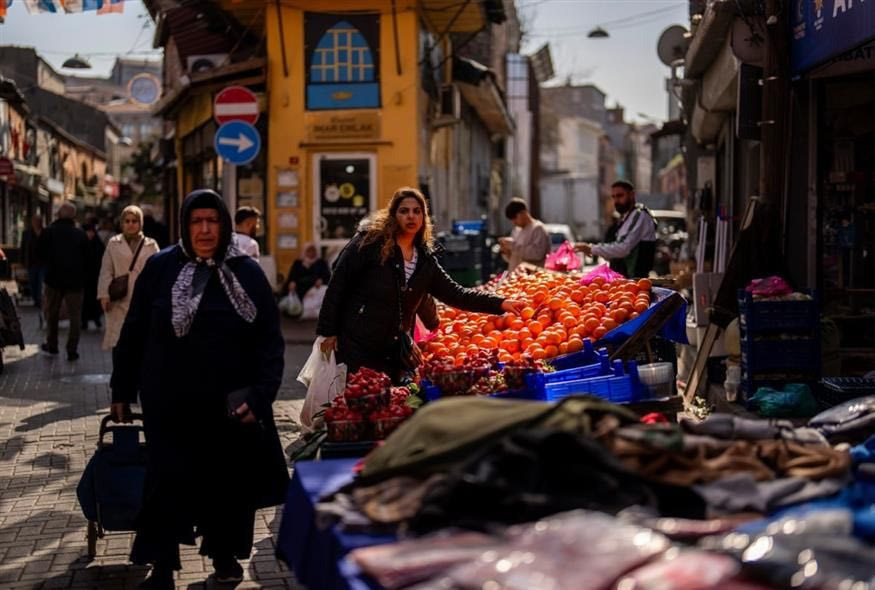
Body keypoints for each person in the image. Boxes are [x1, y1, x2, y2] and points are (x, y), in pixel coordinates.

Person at [109, 189, 287, 589]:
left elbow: (269, 343)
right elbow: (133, 332)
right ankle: (162, 564)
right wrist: (121, 389)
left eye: (213, 221)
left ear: (224, 226)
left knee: (225, 486)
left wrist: (261, 396)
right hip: (169, 403)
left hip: (227, 405)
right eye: (196, 221)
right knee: (166, 482)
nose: (205, 229)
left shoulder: (246, 272)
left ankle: (224, 557)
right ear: (185, 226)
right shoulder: (160, 268)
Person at [317, 187, 525, 381]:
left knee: (387, 407)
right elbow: (338, 283)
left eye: (417, 211)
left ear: (423, 218)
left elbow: (456, 294)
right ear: (393, 216)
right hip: (358, 341)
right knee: (356, 403)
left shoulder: (425, 260)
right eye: (404, 211)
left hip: (393, 348)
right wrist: (328, 331)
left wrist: (501, 303)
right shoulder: (370, 243)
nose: (411, 216)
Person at [97, 206, 160, 350]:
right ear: (122, 223)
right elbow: (106, 270)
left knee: (140, 342)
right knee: (119, 343)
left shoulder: (151, 245)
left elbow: (158, 272)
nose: (131, 224)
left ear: (140, 223)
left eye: (134, 221)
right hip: (119, 298)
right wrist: (104, 294)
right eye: (127, 221)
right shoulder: (113, 243)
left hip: (143, 298)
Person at [38, 201, 89, 361]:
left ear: (59, 214)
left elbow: (40, 253)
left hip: (53, 279)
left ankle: (52, 344)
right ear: (73, 216)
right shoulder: (80, 234)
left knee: (52, 313)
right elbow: (88, 258)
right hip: (75, 281)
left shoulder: (49, 232)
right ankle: (72, 349)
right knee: (75, 316)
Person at [574, 180, 657, 278]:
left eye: (620, 196)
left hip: (635, 279)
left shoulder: (639, 215)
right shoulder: (627, 217)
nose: (616, 201)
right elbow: (616, 247)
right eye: (614, 197)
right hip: (624, 279)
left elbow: (623, 248)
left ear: (632, 194)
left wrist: (592, 248)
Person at [498, 198, 551, 272]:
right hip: (515, 277)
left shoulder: (538, 229)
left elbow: (537, 254)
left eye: (515, 218)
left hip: (531, 278)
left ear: (524, 213)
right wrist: (506, 250)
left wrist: (513, 246)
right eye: (512, 220)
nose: (514, 222)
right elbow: (513, 258)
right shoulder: (516, 230)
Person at [82, 223, 106, 331]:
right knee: (84, 301)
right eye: (88, 232)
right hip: (84, 279)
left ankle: (96, 319)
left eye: (91, 232)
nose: (90, 234)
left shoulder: (98, 244)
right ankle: (84, 322)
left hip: (96, 278)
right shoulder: (82, 243)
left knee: (95, 300)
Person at [20, 213, 45, 311]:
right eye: (35, 221)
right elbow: (23, 248)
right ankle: (36, 299)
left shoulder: (45, 232)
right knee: (33, 283)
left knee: (40, 282)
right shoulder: (26, 233)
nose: (36, 223)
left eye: (38, 221)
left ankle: (39, 301)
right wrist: (22, 262)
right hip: (31, 263)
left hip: (43, 263)